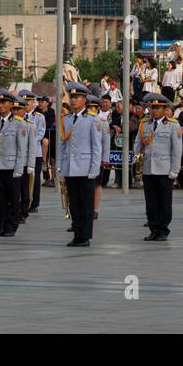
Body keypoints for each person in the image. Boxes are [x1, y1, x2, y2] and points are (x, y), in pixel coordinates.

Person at [132, 92, 182, 241]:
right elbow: (137, 144)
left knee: (164, 201)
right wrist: (137, 159)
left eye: (158, 108)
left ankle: (163, 229)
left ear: (164, 109)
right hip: (148, 167)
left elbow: (177, 150)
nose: (154, 111)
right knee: (151, 201)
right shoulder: (144, 124)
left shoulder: (173, 125)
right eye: (152, 107)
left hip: (165, 168)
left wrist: (175, 169)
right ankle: (153, 229)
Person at [59, 83, 103, 247]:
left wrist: (94, 169)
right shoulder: (67, 119)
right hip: (70, 167)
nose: (73, 100)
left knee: (86, 204)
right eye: (71, 97)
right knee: (74, 204)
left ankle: (85, 236)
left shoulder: (93, 119)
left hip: (85, 168)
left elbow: (96, 147)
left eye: (77, 97)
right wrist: (61, 166)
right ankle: (77, 233)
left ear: (84, 100)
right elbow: (63, 145)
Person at [0, 90, 28, 237]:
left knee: (13, 197)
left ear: (11, 104)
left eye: (4, 102)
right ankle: (2, 225)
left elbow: (21, 148)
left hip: (12, 166)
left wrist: (19, 168)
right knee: (1, 199)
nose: (0, 105)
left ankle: (12, 225)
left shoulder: (19, 123)